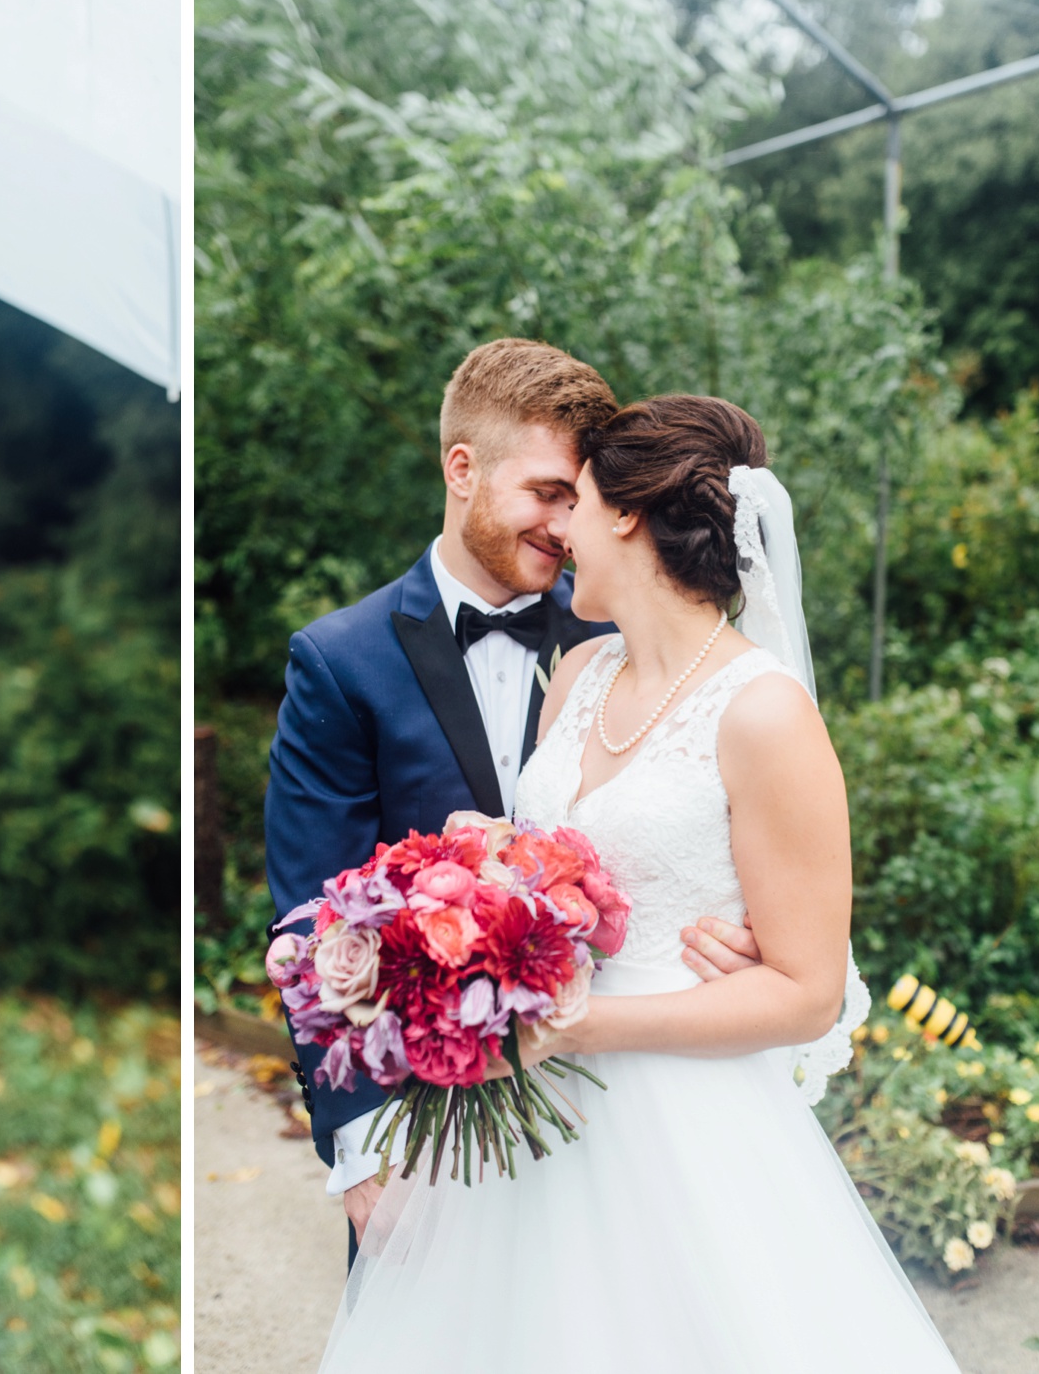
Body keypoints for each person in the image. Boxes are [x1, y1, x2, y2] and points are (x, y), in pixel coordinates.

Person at [314, 395, 950, 1373]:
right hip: (530, 1119)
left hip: (682, 1130)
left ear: (624, 515)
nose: (557, 532)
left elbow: (807, 990)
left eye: (574, 501)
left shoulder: (764, 715)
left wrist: (583, 1023)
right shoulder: (578, 675)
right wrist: (485, 866)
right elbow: (564, 877)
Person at [264, 342, 769, 1257]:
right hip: (426, 1124)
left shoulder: (627, 630)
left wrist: (734, 931)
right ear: (464, 469)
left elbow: (713, 818)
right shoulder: (342, 661)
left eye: (580, 499)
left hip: (622, 1110)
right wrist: (360, 1152)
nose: (566, 523)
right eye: (546, 492)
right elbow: (311, 923)